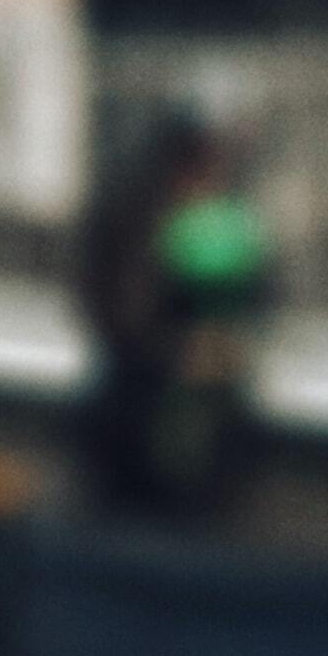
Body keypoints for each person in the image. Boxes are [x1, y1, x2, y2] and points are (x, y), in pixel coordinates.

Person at [76, 109, 274, 523]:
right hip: (142, 402)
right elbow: (122, 308)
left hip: (190, 404)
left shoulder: (213, 220)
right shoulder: (140, 217)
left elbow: (254, 293)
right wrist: (175, 351)